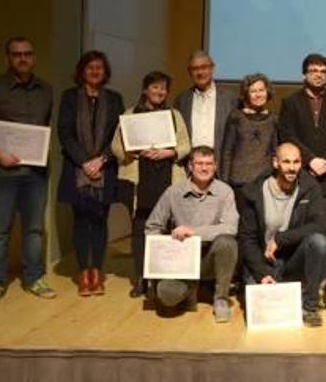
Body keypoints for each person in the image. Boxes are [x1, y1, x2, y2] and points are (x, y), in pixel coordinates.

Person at [0, 37, 55, 306]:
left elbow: (44, 127)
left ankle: (34, 278)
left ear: (34, 57)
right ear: (7, 58)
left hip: (35, 173)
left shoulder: (46, 90)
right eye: (16, 54)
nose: (23, 58)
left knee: (34, 229)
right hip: (1, 172)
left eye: (28, 54)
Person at [112, 71, 190, 298]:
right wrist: (131, 150)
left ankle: (162, 279)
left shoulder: (174, 115)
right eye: (155, 87)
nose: (160, 92)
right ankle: (141, 279)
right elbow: (116, 146)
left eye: (164, 88)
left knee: (166, 231)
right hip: (140, 182)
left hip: (167, 179)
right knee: (140, 232)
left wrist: (170, 151)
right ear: (146, 89)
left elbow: (186, 144)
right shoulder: (130, 114)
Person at [238, 142, 326, 327]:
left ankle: (310, 306)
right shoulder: (254, 191)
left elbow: (320, 225)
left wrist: (280, 239)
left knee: (319, 242)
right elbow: (246, 238)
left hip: (291, 260)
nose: (292, 167)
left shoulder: (309, 187)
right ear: (275, 163)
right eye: (286, 162)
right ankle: (272, 286)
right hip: (262, 260)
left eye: (296, 162)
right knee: (263, 316)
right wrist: (261, 273)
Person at [57, 51, 124, 296]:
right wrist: (85, 162)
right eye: (90, 67)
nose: (95, 71)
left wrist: (101, 160)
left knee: (99, 221)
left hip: (105, 170)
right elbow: (64, 133)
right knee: (81, 221)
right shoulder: (69, 97)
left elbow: (118, 134)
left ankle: (97, 270)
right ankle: (83, 272)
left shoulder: (115, 99)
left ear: (105, 72)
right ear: (82, 71)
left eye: (99, 67)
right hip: (76, 170)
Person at [145, 146, 239, 323]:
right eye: (199, 163)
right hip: (180, 262)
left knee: (227, 242)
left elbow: (231, 227)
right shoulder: (173, 192)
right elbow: (152, 226)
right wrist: (161, 258)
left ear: (215, 166)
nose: (204, 168)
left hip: (209, 260)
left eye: (209, 164)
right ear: (190, 166)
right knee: (167, 296)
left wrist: (193, 232)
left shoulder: (225, 191)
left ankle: (220, 298)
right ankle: (191, 289)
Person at [278, 53, 326, 197]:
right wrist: (310, 160)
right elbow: (287, 135)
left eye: (323, 71)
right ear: (304, 75)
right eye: (313, 71)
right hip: (301, 172)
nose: (319, 75)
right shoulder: (290, 103)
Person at [173, 50, 236, 165]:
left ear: (212, 68)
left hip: (220, 168)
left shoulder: (230, 99)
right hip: (190, 167)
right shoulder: (181, 100)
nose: (200, 72)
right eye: (195, 69)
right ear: (189, 72)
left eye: (204, 67)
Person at [220, 73, 278, 189]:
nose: (258, 95)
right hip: (238, 182)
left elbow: (275, 152)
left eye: (261, 90)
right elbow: (227, 152)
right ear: (246, 94)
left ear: (267, 92)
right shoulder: (236, 117)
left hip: (265, 182)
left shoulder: (274, 119)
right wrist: (225, 184)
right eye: (253, 91)